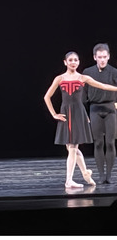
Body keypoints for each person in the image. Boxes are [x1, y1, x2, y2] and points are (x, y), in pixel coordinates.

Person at [44, 51, 117, 188]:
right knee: (71, 147)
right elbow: (47, 97)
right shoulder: (59, 78)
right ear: (65, 62)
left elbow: (103, 86)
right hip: (66, 114)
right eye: (70, 60)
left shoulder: (83, 78)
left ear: (78, 62)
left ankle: (71, 179)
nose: (73, 62)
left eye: (76, 60)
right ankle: (83, 174)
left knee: (72, 147)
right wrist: (54, 114)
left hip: (78, 114)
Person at [82, 43, 117, 184]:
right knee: (97, 143)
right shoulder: (88, 72)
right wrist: (84, 113)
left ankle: (109, 175)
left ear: (108, 57)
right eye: (99, 57)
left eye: (104, 57)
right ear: (94, 57)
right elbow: (83, 94)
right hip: (95, 108)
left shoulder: (114, 72)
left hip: (110, 109)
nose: (102, 60)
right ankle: (101, 174)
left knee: (110, 142)